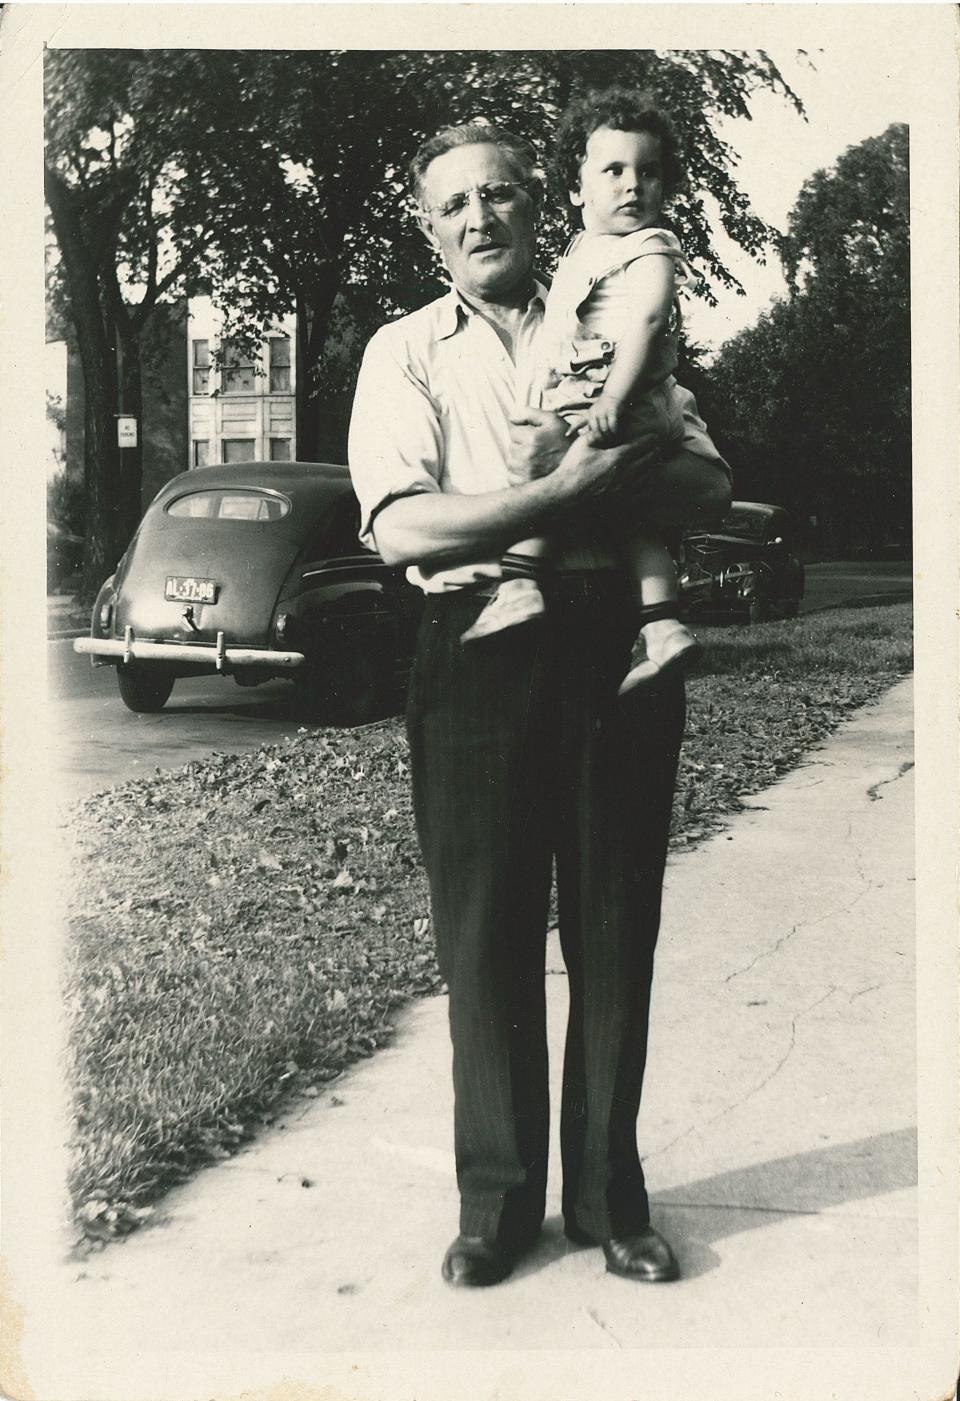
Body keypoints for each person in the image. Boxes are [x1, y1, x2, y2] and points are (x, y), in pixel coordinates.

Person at [348, 119, 731, 1288]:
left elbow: (708, 475)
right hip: (475, 651)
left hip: (613, 640)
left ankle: (610, 1203)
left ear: (537, 205)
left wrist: (567, 484)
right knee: (486, 932)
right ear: (430, 231)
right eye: (454, 205)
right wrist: (571, 489)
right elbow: (399, 522)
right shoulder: (407, 350)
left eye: (501, 196)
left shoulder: (611, 314)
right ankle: (498, 1204)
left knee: (613, 925)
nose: (480, 219)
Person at [463, 88, 723, 694]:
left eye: (648, 172)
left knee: (553, 478)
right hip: (603, 391)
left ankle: (520, 581)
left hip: (622, 396)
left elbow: (650, 321)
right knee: (629, 517)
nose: (632, 186)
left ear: (667, 186)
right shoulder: (586, 250)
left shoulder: (649, 246)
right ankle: (663, 628)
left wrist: (612, 401)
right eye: (613, 170)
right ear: (576, 189)